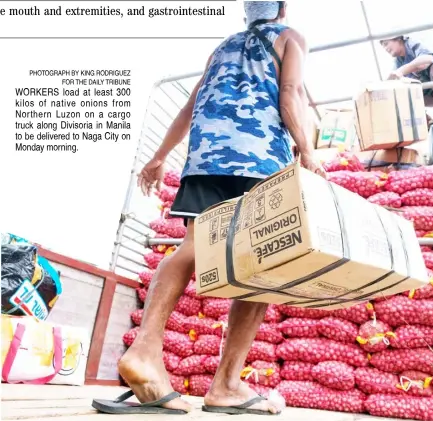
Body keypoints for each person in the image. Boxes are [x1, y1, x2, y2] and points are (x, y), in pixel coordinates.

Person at [92, 0, 325, 416]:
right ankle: (226, 384)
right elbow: (289, 93)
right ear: (282, 10)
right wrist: (307, 151)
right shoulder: (291, 38)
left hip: (205, 157)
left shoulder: (222, 48)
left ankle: (145, 350)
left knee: (194, 246)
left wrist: (159, 157)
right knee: (261, 263)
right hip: (257, 159)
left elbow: (188, 108)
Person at [380, 35, 433, 124]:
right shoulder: (398, 62)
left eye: (386, 43)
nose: (385, 48)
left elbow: (427, 60)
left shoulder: (412, 42)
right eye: (383, 46)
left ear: (399, 39)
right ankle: (425, 123)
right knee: (401, 95)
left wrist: (401, 71)